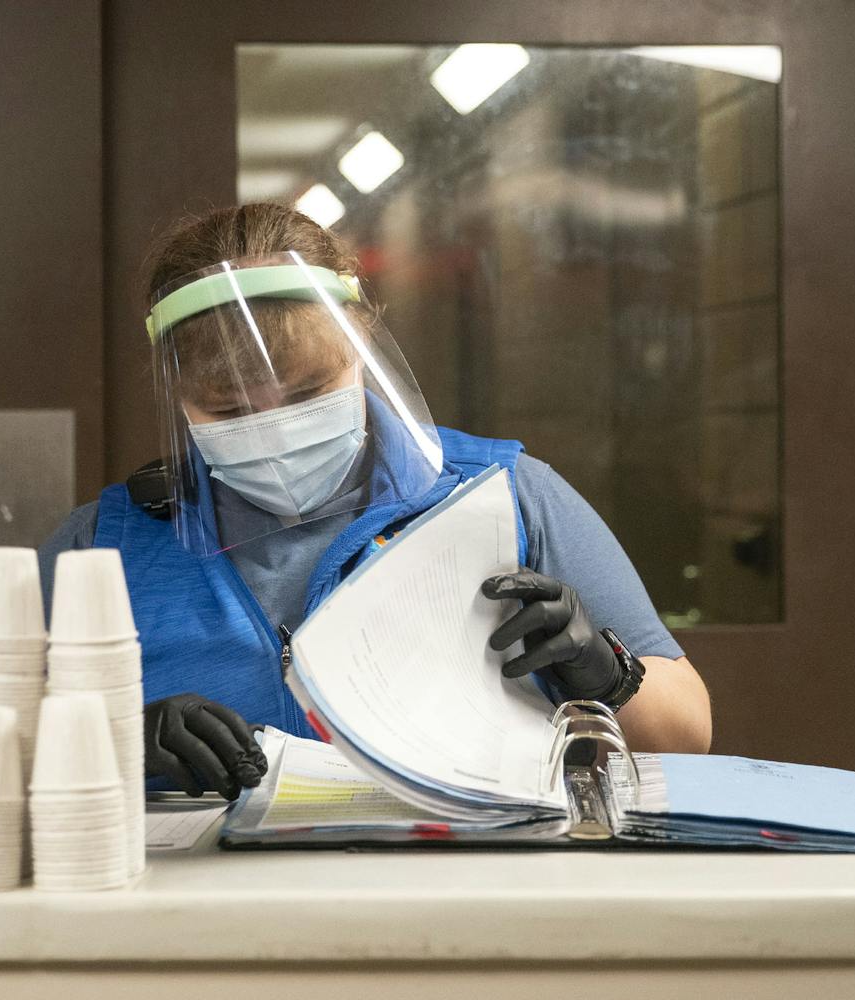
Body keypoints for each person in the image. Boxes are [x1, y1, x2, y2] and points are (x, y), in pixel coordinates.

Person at [41, 203, 712, 799]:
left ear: (361, 341)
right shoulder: (103, 547)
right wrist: (117, 737)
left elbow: (687, 735)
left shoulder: (504, 495)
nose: (274, 428)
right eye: (229, 409)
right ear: (177, 396)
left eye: (307, 393)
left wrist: (602, 670)